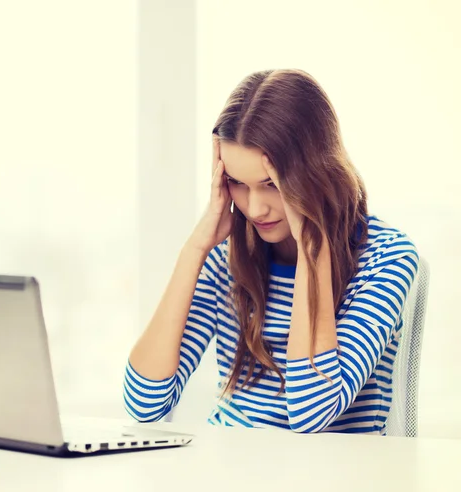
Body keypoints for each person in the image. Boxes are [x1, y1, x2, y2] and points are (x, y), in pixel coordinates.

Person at [123, 68, 419, 434]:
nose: (256, 208)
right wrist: (195, 248)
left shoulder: (387, 258)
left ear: (315, 172)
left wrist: (312, 249)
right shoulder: (226, 260)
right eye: (237, 184)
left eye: (271, 184)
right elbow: (144, 404)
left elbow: (311, 414)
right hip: (230, 468)